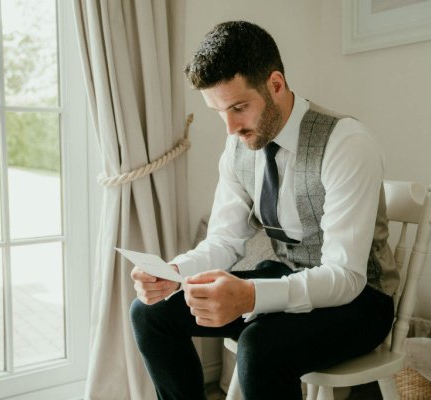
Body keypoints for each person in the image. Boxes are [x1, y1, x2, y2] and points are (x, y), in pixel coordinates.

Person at [129, 20, 399, 400]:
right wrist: (173, 273)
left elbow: (345, 276)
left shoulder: (347, 143)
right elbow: (225, 240)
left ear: (275, 84)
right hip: (285, 274)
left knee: (260, 346)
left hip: (360, 301)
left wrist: (251, 296)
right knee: (149, 314)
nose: (231, 128)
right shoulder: (240, 146)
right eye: (218, 112)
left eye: (239, 107)